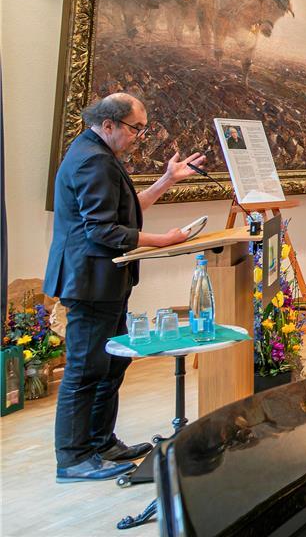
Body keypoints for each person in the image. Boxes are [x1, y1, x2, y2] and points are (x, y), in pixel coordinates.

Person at [45, 93, 205, 482]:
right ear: (110, 124)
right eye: (136, 128)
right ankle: (73, 457)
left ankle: (101, 442)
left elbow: (126, 212)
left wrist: (167, 180)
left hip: (107, 282)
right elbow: (102, 230)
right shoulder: (92, 160)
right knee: (85, 369)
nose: (140, 136)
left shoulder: (98, 153)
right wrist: (162, 240)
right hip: (89, 282)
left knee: (113, 361)